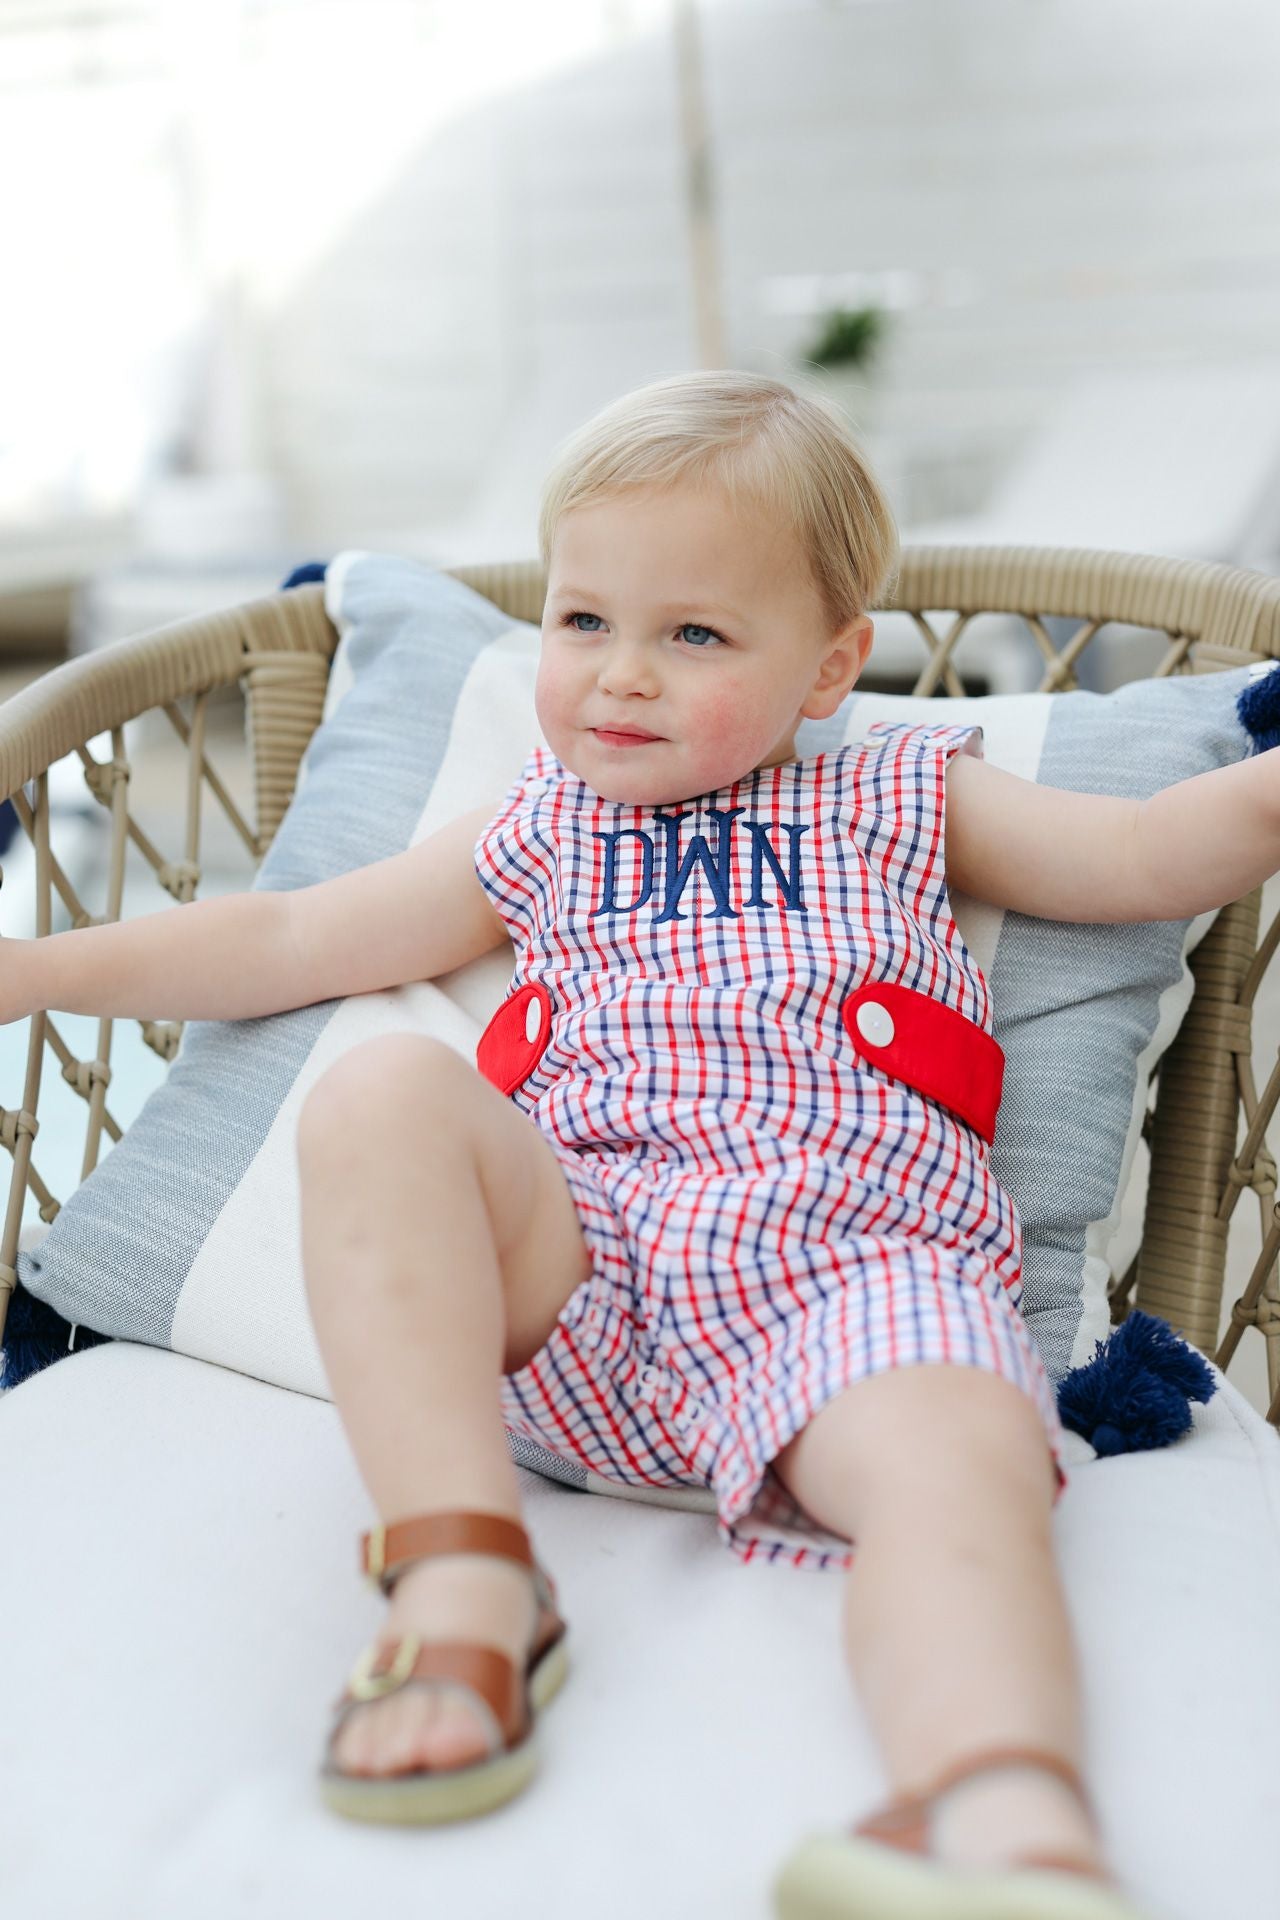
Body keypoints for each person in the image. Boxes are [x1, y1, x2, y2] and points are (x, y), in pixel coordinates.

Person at [17, 371, 1268, 1920]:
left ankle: (1003, 1819)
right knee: (382, 1096)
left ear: (830, 667)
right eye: (581, 620)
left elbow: (1151, 853)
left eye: (694, 636)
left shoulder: (904, 790)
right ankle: (465, 1571)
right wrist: (41, 969)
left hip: (853, 1296)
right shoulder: (537, 826)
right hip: (580, 1286)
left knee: (966, 1463)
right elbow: (282, 937)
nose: (620, 677)